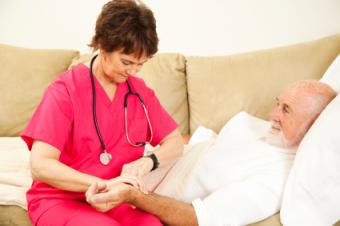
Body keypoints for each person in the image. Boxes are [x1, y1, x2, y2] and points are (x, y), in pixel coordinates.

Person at [21, 1, 183, 226]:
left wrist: (149, 161)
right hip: (60, 199)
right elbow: (40, 165)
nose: (133, 71)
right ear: (103, 44)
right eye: (126, 62)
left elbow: (175, 143)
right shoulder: (65, 91)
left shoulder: (139, 92)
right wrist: (100, 183)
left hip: (114, 200)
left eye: (140, 65)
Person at [86, 80, 337, 226]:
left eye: (286, 110)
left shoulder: (275, 180)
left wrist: (133, 195)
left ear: (314, 124)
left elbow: (200, 218)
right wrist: (149, 157)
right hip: (147, 159)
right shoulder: (265, 130)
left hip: (138, 193)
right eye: (277, 103)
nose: (273, 114)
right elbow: (195, 140)